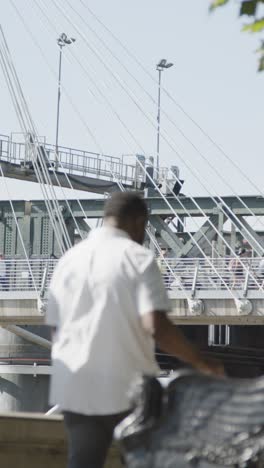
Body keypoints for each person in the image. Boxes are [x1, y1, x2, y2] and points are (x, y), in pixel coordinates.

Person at [46, 192, 224, 468]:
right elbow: (157, 326)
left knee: (83, 462)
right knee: (153, 458)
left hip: (75, 387)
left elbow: (57, 332)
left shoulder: (68, 260)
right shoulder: (138, 258)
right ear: (139, 221)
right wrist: (201, 361)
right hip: (124, 389)